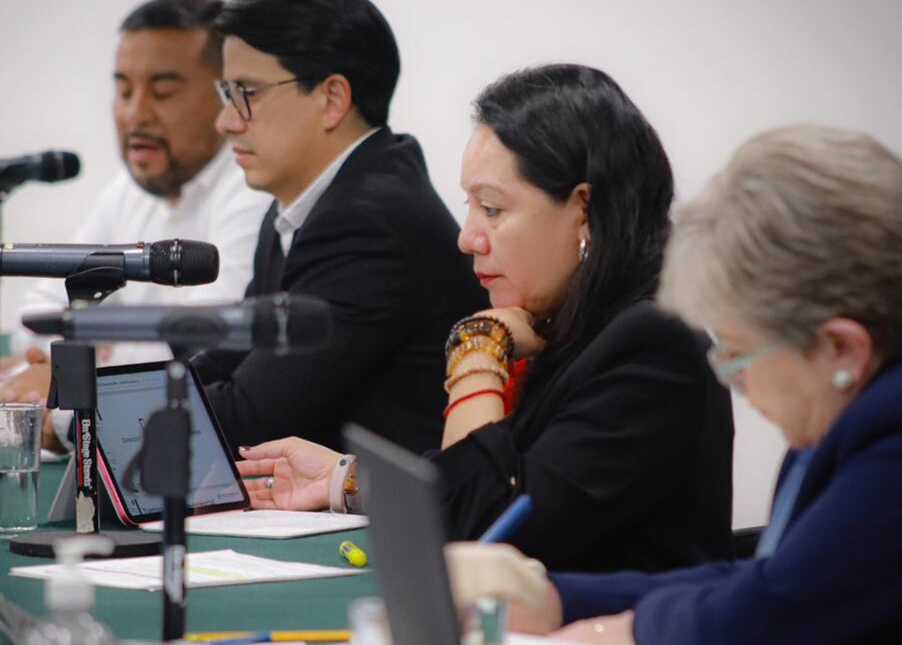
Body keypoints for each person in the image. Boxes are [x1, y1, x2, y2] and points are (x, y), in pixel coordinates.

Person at [445, 124, 902, 643]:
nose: (734, 379)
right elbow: (773, 577)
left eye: (742, 353)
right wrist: (554, 596)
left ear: (840, 346)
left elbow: (780, 613)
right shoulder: (887, 398)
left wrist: (615, 632)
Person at [237, 64, 735, 574]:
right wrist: (342, 479)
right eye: (469, 205)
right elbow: (498, 481)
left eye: (492, 209)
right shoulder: (559, 326)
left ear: (583, 211)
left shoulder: (652, 345)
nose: (467, 237)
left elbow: (479, 531)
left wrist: (477, 342)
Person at [191, 0, 486, 453]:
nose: (226, 121)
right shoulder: (300, 207)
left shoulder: (370, 223)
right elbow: (228, 361)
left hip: (394, 519)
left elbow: (250, 419)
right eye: (226, 92)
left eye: (246, 93)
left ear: (332, 99)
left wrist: (83, 423)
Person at [0, 0, 270, 452]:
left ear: (224, 96)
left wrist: (74, 370)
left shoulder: (254, 189)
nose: (135, 114)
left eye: (163, 92)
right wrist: (61, 368)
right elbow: (39, 313)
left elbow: (199, 345)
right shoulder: (125, 193)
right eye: (124, 90)